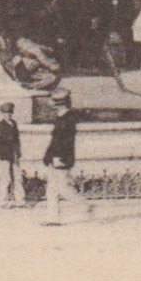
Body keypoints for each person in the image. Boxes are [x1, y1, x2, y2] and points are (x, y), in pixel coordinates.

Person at [41, 89, 91, 226]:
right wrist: (48, 155)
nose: (54, 107)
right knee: (52, 189)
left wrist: (57, 157)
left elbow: (64, 142)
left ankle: (83, 204)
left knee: (62, 188)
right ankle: (53, 218)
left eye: (56, 105)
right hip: (57, 157)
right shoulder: (63, 117)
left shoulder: (67, 120)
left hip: (61, 158)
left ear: (61, 105)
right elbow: (55, 140)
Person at [0, 102, 25, 208]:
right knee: (5, 179)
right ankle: (4, 202)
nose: (8, 115)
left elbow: (17, 139)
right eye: (6, 113)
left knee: (18, 177)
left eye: (10, 112)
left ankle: (20, 201)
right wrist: (5, 150)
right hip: (4, 155)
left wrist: (18, 151)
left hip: (14, 154)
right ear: (2, 114)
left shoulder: (14, 124)